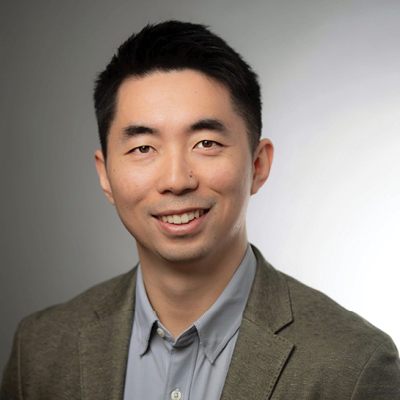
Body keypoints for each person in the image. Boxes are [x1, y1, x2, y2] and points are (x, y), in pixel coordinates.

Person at [1, 20, 399, 400]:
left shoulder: (355, 365)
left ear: (258, 165)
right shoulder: (40, 351)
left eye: (206, 143)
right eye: (143, 148)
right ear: (105, 175)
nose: (176, 179)